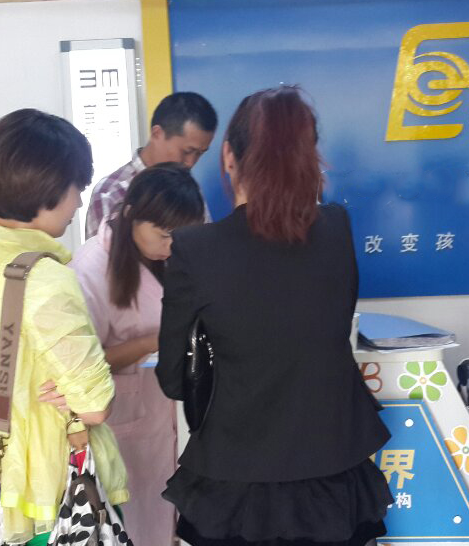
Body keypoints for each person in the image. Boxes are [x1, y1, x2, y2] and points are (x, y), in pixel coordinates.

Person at [156, 86, 393, 546]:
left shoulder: (195, 249)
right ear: (307, 158)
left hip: (234, 476)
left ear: (229, 156)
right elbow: (331, 329)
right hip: (332, 472)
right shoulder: (335, 229)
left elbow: (174, 379)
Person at [0, 109, 128, 545]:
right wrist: (76, 395)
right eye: (77, 188)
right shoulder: (45, 278)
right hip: (48, 487)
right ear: (50, 188)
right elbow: (95, 406)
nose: (78, 203)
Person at [70, 163, 206, 546]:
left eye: (180, 236)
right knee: (131, 528)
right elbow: (79, 367)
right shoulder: (90, 269)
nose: (171, 246)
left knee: (164, 525)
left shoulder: (167, 258)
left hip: (167, 421)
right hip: (121, 427)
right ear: (130, 214)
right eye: (163, 235)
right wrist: (151, 342)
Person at [86, 91, 218, 238]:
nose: (190, 163)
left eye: (200, 153)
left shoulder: (190, 189)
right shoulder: (111, 193)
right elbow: (104, 252)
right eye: (187, 151)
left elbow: (204, 244)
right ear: (157, 133)